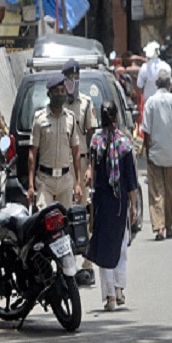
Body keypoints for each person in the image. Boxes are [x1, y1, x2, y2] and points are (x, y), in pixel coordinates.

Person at [84, 101, 139, 311]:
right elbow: (130, 179)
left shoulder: (96, 142)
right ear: (116, 118)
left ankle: (110, 297)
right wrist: (133, 206)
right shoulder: (124, 144)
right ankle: (118, 288)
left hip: (101, 202)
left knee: (103, 246)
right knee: (120, 244)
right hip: (119, 203)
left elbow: (92, 173)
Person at [62, 59, 99, 286]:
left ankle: (86, 264)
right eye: (69, 78)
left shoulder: (85, 103)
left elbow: (92, 137)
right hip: (61, 164)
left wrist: (90, 169)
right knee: (62, 216)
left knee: (82, 214)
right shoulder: (56, 105)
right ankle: (67, 266)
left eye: (76, 78)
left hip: (82, 162)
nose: (73, 82)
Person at [141, 69, 172, 242]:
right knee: (170, 191)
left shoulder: (150, 102)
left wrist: (146, 152)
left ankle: (159, 228)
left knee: (156, 192)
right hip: (171, 155)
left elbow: (146, 131)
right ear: (169, 84)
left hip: (155, 154)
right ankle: (168, 226)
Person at [27, 73, 82, 210]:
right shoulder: (39, 119)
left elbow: (76, 152)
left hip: (65, 181)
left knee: (65, 223)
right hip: (45, 181)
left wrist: (78, 183)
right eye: (56, 92)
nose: (60, 94)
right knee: (44, 222)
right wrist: (31, 185)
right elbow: (32, 154)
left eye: (62, 91)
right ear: (49, 94)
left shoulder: (70, 118)